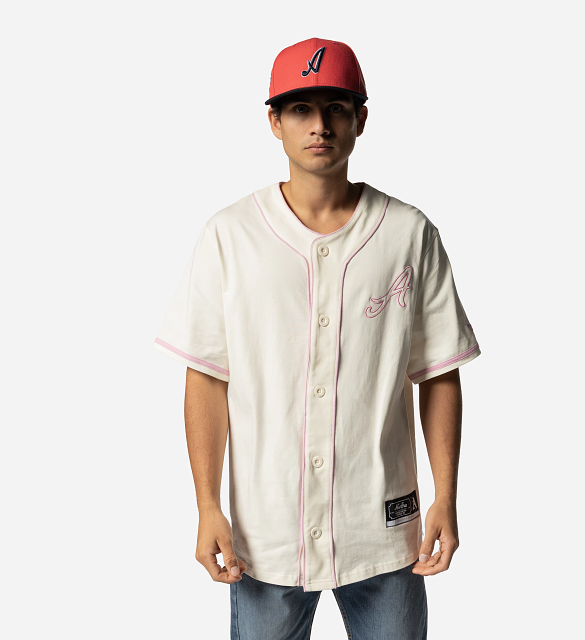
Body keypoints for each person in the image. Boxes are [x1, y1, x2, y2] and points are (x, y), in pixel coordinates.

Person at [153, 37, 481, 640]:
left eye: (336, 108)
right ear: (274, 122)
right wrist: (207, 506)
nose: (320, 126)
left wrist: (446, 497)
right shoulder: (230, 235)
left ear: (361, 118)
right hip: (266, 534)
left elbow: (439, 373)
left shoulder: (409, 233)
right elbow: (206, 377)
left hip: (385, 529)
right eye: (301, 109)